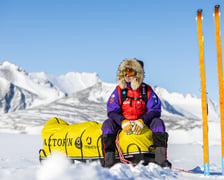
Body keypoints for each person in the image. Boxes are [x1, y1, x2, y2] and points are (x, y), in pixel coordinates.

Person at [101, 58, 172, 168]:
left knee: (158, 123)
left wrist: (142, 121)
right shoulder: (119, 90)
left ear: (138, 74)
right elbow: (112, 110)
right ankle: (108, 162)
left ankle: (161, 160)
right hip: (123, 123)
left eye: (130, 72)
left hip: (143, 122)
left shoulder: (147, 90)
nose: (127, 75)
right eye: (124, 72)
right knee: (107, 124)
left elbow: (155, 110)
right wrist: (122, 122)